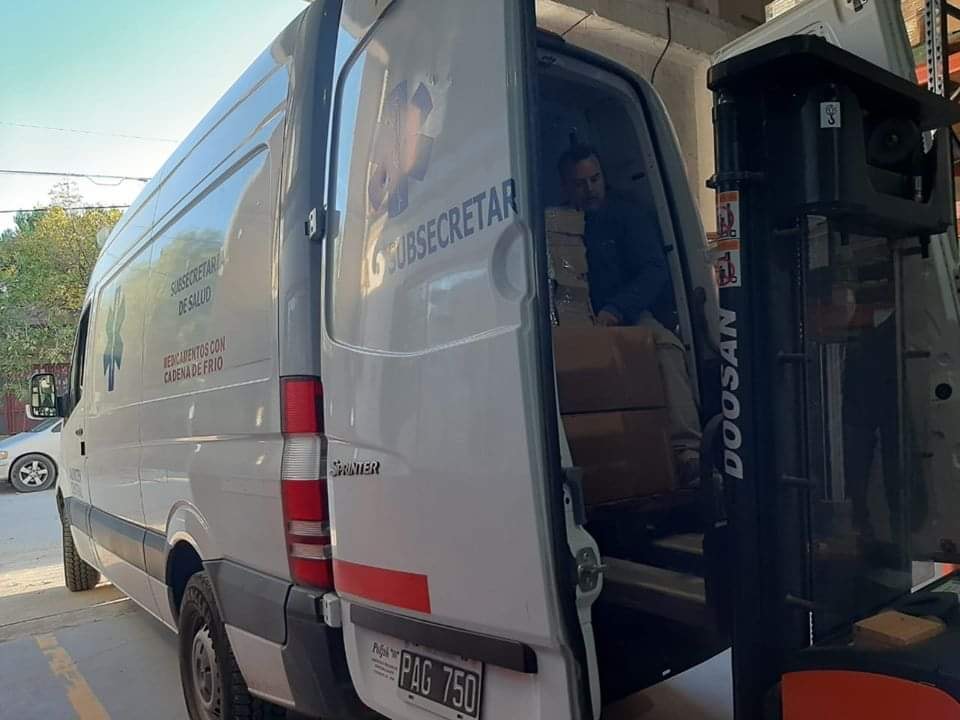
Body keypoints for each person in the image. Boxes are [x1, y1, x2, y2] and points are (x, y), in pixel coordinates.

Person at [558, 144, 702, 485]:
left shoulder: (627, 216)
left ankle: (687, 452)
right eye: (580, 183)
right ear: (565, 187)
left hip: (626, 313)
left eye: (595, 179)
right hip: (570, 317)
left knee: (666, 347)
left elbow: (654, 271)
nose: (590, 189)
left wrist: (617, 309)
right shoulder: (555, 226)